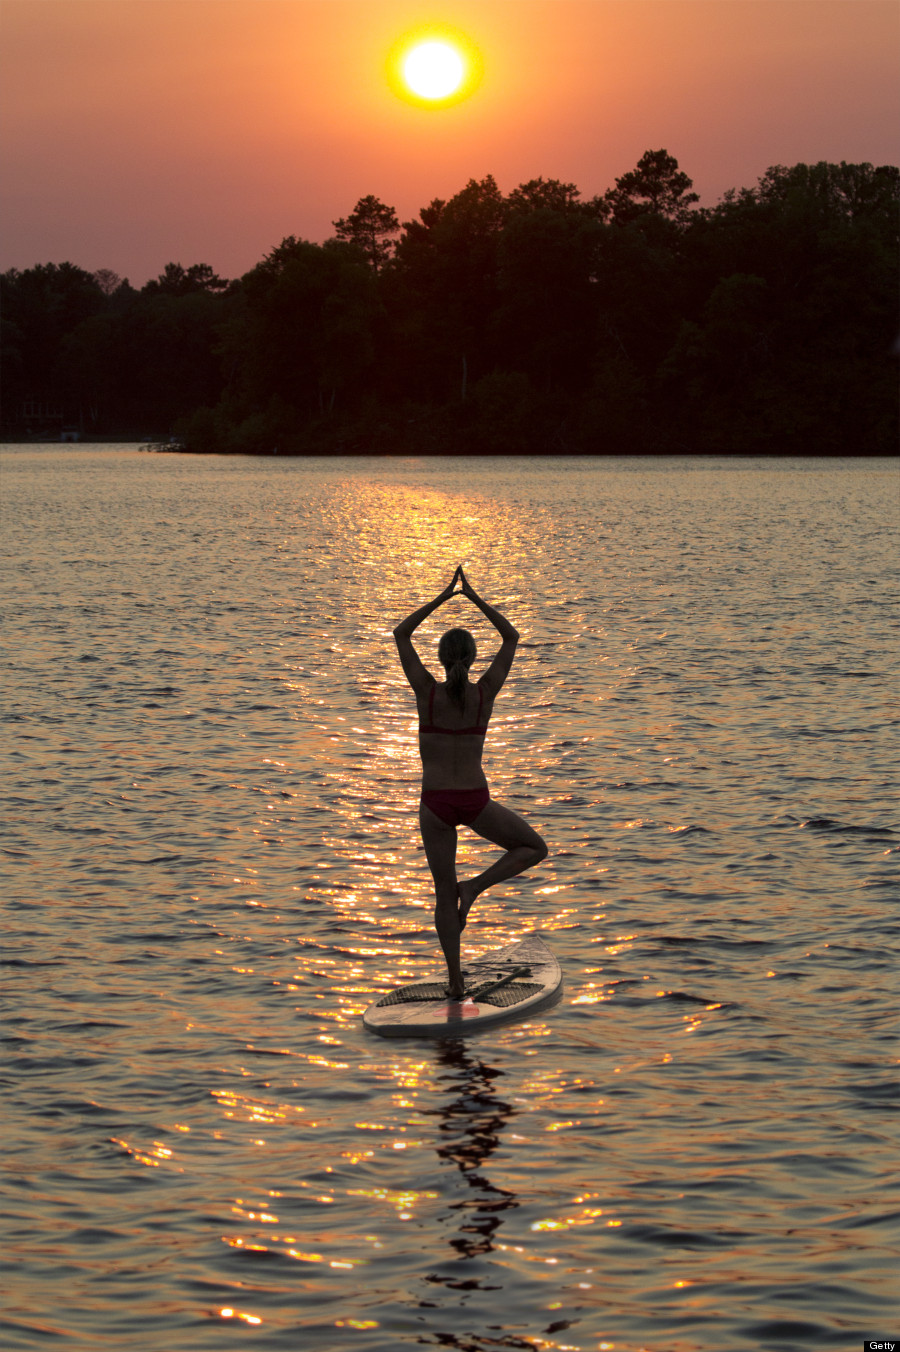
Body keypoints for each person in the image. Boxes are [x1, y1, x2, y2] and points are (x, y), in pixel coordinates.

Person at [393, 566, 548, 999]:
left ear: (442, 659)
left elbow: (401, 635)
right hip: (476, 800)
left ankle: (456, 983)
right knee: (534, 848)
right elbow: (512, 637)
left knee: (443, 892)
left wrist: (445, 597)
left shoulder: (427, 693)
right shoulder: (484, 695)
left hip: (436, 804)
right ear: (472, 658)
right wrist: (474, 598)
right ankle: (476, 887)